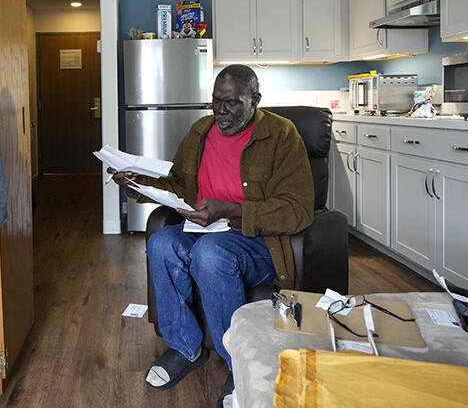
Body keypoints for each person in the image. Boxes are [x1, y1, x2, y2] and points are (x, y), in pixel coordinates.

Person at [109, 64, 314, 405]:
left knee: (210, 253)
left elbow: (298, 209)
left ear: (255, 99)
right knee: (162, 243)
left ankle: (239, 362)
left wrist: (232, 209)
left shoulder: (282, 135)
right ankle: (186, 347)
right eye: (216, 101)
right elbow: (176, 185)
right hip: (203, 228)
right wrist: (136, 182)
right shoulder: (201, 131)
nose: (221, 111)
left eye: (231, 102)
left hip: (254, 239)